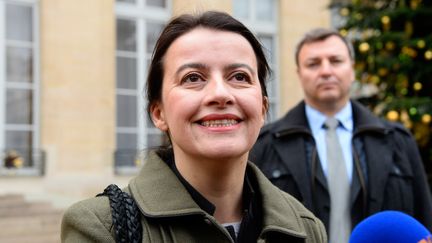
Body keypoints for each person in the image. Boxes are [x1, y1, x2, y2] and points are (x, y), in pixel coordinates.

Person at [61, 11, 327, 243]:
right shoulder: (102, 227)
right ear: (159, 112)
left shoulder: (306, 229)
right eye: (193, 78)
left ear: (263, 109)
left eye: (239, 77)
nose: (220, 94)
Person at [250, 27, 432, 243]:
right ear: (299, 73)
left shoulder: (398, 141)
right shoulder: (265, 144)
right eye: (313, 63)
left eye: (335, 61)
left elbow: (424, 223)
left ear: (352, 69)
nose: (326, 71)